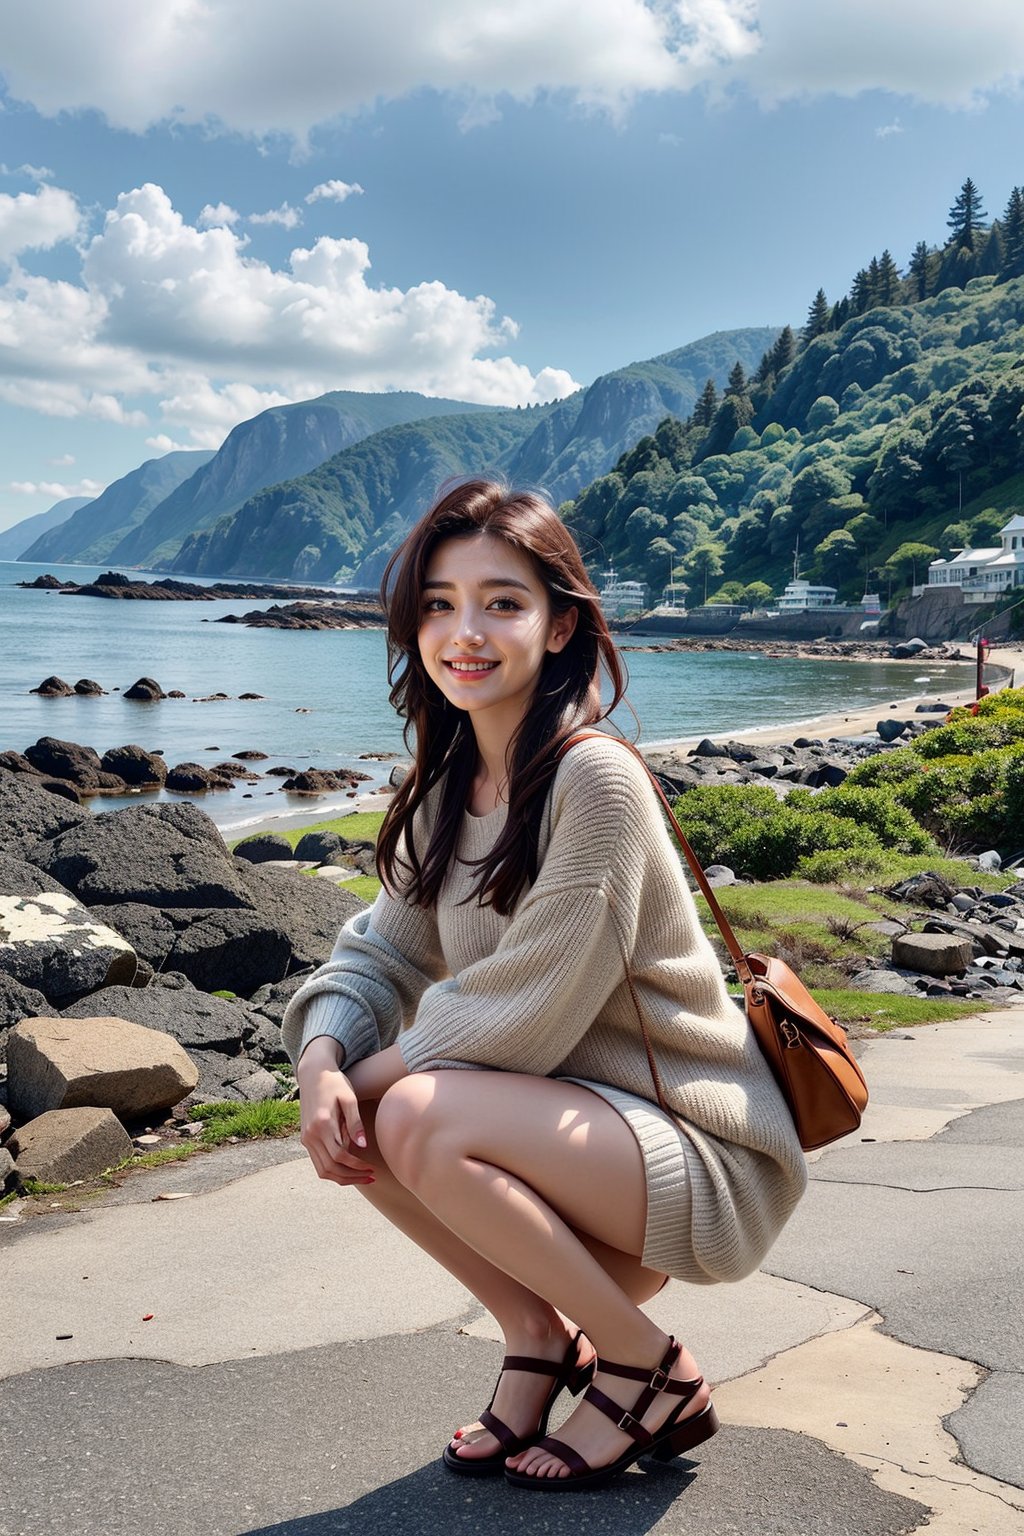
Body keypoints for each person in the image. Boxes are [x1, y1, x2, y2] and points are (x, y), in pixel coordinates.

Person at [281, 478, 807, 1492]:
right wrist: (318, 1060)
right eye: (437, 603)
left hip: (698, 1154)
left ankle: (647, 1365)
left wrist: (370, 1075)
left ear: (562, 625)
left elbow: (523, 1008)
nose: (462, 631)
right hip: (578, 1143)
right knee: (363, 1111)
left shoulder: (592, 779)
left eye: (502, 602)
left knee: (411, 1109)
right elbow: (377, 956)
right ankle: (538, 1336)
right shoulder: (444, 793)